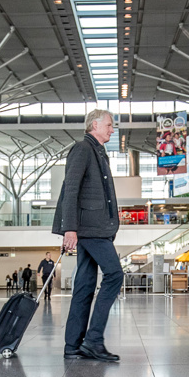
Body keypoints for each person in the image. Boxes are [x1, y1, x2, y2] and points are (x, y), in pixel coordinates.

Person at [53, 108, 122, 362]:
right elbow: (70, 189)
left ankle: (73, 344)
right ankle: (93, 340)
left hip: (95, 227)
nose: (112, 129)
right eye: (109, 125)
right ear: (94, 124)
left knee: (84, 284)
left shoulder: (98, 152)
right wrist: (69, 227)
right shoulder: (83, 148)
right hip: (89, 228)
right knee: (115, 275)